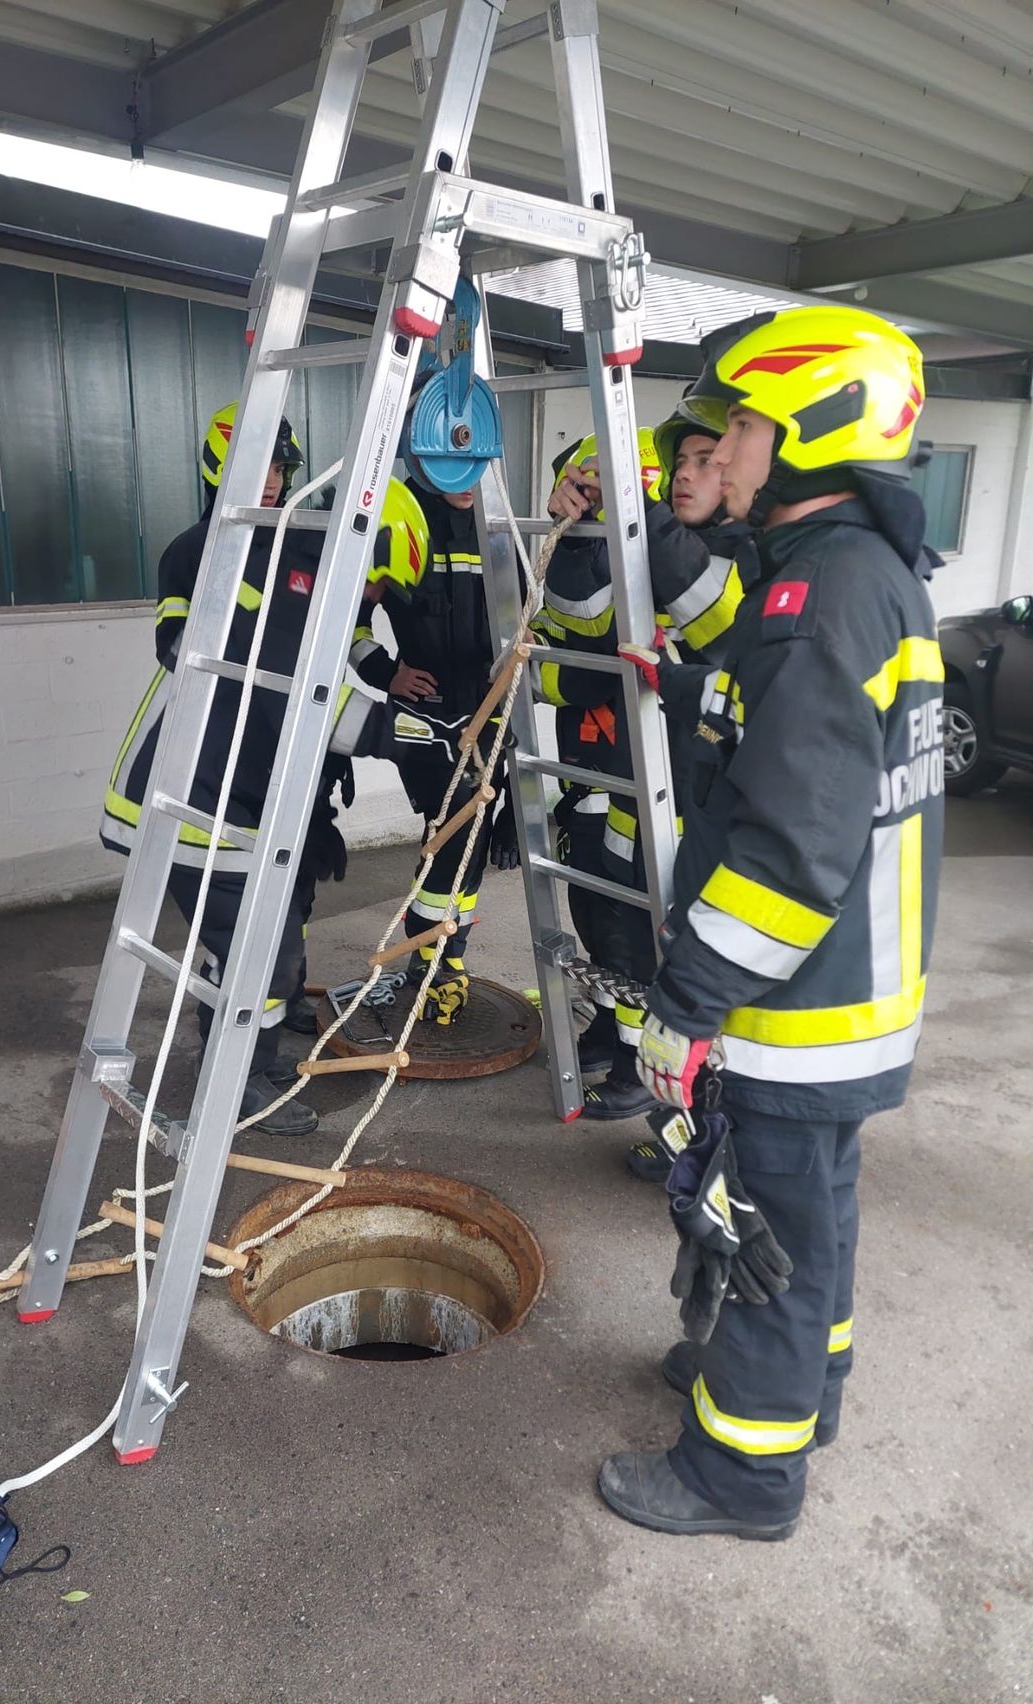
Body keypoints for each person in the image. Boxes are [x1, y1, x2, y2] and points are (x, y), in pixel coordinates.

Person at [595, 304, 943, 1540]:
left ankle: (740, 1471)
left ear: (807, 429)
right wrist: (685, 685)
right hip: (851, 1003)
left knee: (766, 1242)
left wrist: (681, 1008)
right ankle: (801, 1393)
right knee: (817, 1225)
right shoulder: (856, 578)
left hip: (796, 1008)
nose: (720, 448)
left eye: (740, 423)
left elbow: (792, 855)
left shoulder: (818, 596)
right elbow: (789, 735)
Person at [101, 402, 427, 1136]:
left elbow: (317, 660)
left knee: (274, 939)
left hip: (239, 792)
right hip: (192, 797)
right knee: (252, 948)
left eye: (285, 468)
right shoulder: (205, 552)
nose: (276, 480)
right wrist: (399, 736)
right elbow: (286, 684)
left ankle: (262, 1056)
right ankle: (236, 1083)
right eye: (376, 586)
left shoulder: (292, 565)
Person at [541, 426, 755, 1128]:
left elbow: (715, 619)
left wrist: (633, 511)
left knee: (650, 933)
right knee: (602, 915)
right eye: (681, 463)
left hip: (687, 791)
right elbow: (574, 632)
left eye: (705, 461)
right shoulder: (633, 543)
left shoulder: (737, 552)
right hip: (611, 770)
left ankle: (653, 1080)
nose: (692, 475)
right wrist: (581, 529)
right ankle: (619, 1039)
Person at [348, 437, 518, 1026]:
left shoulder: (498, 527)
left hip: (490, 711)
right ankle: (436, 965)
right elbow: (349, 620)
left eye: (477, 464)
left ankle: (444, 956)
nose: (467, 477)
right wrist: (387, 673)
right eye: (452, 465)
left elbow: (526, 623)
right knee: (449, 839)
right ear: (421, 460)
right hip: (425, 720)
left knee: (470, 841)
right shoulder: (398, 515)